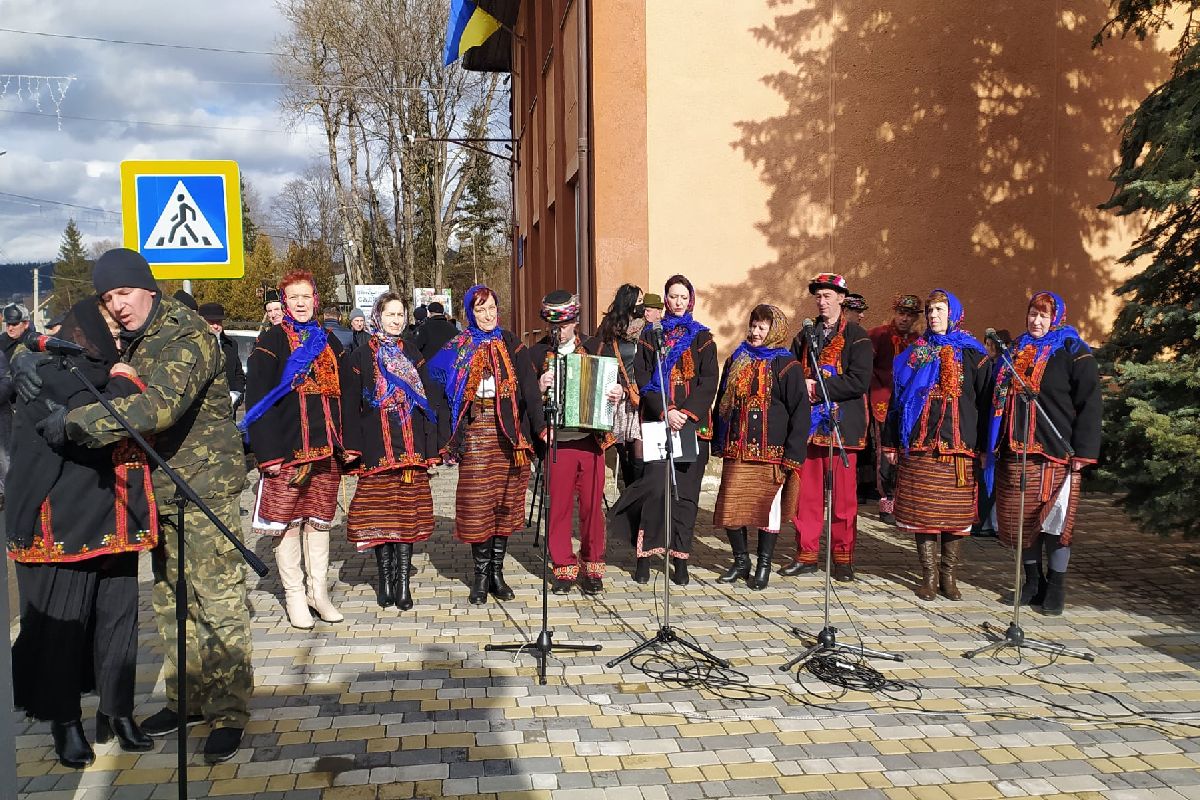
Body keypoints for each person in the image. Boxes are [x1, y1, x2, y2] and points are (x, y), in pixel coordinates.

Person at [31, 248, 253, 764]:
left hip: (206, 489)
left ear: (148, 288)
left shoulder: (187, 333)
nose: (119, 305)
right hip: (159, 490)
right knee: (172, 599)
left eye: (124, 292)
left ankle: (229, 712)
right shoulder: (129, 341)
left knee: (216, 600)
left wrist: (74, 424)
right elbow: (61, 352)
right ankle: (186, 699)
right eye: (109, 297)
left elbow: (158, 406)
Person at [9, 297, 157, 768]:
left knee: (119, 622)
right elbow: (89, 421)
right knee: (64, 630)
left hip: (117, 517)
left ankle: (118, 712)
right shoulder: (47, 376)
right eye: (112, 334)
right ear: (86, 335)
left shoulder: (109, 374)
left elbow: (130, 408)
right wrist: (24, 357)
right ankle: (65, 722)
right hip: (67, 524)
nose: (120, 343)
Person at [985, 291, 1101, 616]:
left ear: (1056, 318)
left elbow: (1090, 402)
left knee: (1055, 524)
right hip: (1015, 451)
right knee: (1023, 522)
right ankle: (1032, 582)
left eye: (1043, 316)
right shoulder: (1016, 349)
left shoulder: (1073, 351)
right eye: (1032, 314)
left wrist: (1084, 452)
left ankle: (1057, 586)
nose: (1036, 321)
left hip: (1055, 452)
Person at [243, 271, 346, 629]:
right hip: (287, 451)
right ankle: (295, 595)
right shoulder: (271, 340)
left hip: (325, 448)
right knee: (286, 524)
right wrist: (267, 454)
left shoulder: (328, 341)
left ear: (315, 300)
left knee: (318, 523)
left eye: (306, 296)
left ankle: (319, 593)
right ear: (284, 303)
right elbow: (256, 400)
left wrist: (347, 446)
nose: (300, 303)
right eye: (293, 298)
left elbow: (344, 393)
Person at [427, 285, 543, 604]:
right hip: (476, 431)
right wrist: (445, 423)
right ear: (470, 314)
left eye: (491, 308)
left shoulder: (511, 342)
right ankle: (480, 576)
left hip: (508, 435)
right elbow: (432, 381)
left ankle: (496, 573)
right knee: (478, 503)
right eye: (480, 310)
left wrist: (539, 431)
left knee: (504, 502)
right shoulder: (459, 345)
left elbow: (530, 389)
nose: (488, 315)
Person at [883, 290, 993, 601]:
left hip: (959, 448)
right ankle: (928, 577)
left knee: (954, 516)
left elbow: (985, 406)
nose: (933, 315)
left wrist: (984, 447)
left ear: (954, 313)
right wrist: (891, 442)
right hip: (921, 446)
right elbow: (897, 400)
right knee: (925, 515)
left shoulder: (975, 356)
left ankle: (950, 576)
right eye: (930, 310)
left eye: (940, 310)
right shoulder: (915, 354)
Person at [341, 293, 447, 610]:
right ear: (378, 317)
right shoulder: (360, 357)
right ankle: (384, 581)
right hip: (376, 450)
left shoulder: (414, 353)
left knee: (405, 520)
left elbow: (428, 403)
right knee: (380, 518)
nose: (397, 320)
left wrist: (431, 446)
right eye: (390, 314)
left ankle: (402, 584)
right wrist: (352, 448)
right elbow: (351, 405)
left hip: (409, 448)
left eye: (401, 315)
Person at [612, 275, 718, 587]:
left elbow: (708, 380)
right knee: (655, 490)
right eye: (673, 296)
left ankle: (680, 557)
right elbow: (644, 377)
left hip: (691, 426)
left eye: (683, 297)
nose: (678, 302)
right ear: (666, 300)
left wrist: (685, 413)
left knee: (686, 495)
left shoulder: (703, 339)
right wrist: (666, 410)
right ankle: (645, 556)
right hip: (659, 422)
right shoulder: (650, 336)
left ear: (691, 299)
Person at [780, 273, 873, 582]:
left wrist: (819, 388)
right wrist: (800, 384)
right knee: (806, 496)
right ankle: (806, 554)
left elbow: (859, 381)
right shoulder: (805, 336)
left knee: (844, 500)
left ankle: (843, 558)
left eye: (828, 296)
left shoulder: (858, 337)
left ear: (841, 299)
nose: (822, 302)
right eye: (818, 296)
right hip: (809, 428)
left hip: (842, 428)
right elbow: (791, 371)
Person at [530, 291, 622, 595]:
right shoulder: (536, 354)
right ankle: (564, 568)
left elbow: (612, 384)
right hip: (558, 442)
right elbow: (526, 400)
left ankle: (592, 566)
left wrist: (616, 394)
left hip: (589, 440)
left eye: (566, 324)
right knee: (558, 508)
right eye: (555, 325)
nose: (560, 330)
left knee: (593, 508)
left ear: (575, 321)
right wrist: (538, 385)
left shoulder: (595, 347)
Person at [712, 305, 809, 590]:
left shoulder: (787, 365)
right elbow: (723, 403)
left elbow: (800, 412)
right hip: (738, 449)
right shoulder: (736, 360)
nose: (755, 333)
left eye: (762, 328)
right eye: (753, 326)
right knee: (731, 508)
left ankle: (764, 563)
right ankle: (741, 561)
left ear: (773, 330)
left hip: (772, 454)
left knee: (769, 511)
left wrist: (793, 455)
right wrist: (720, 440)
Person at [868, 294, 923, 523]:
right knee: (885, 452)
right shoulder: (878, 335)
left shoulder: (918, 341)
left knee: (906, 451)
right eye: (901, 313)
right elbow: (866, 368)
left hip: (908, 405)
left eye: (909, 315)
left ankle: (904, 500)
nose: (904, 319)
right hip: (883, 400)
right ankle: (887, 501)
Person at [593, 284, 647, 489]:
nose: (642, 306)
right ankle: (629, 496)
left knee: (639, 448)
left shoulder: (645, 328)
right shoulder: (609, 328)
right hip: (619, 395)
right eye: (639, 301)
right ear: (629, 302)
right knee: (622, 448)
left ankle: (638, 496)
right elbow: (599, 357)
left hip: (640, 396)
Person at [973, 328, 1012, 537]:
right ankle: (985, 522)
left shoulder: (1003, 367)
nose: (986, 348)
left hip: (998, 429)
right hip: (990, 426)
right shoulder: (990, 365)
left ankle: (989, 522)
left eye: (989, 344)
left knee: (992, 476)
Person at [199, 303, 247, 410]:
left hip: (228, 407)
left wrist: (238, 395)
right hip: (204, 409)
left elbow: (238, 373)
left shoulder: (231, 344)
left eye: (219, 322)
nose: (216, 326)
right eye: (211, 323)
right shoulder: (194, 346)